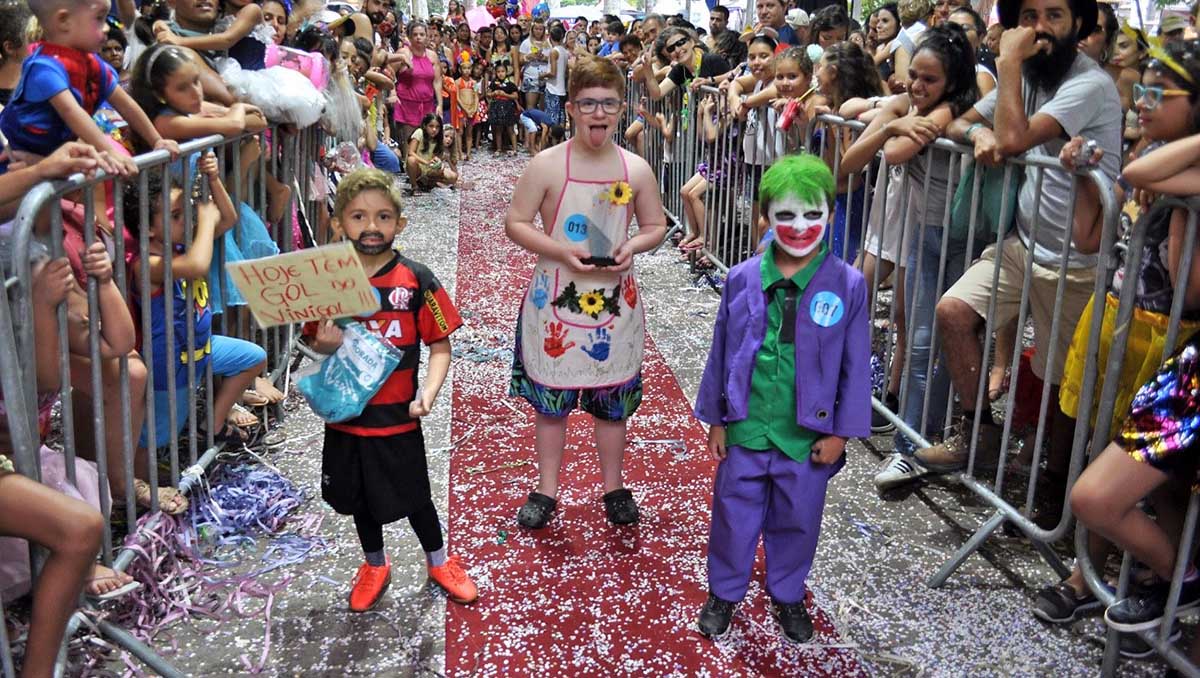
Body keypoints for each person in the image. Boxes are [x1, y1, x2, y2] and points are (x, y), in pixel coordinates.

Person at [915, 0, 1121, 488]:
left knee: (1062, 382)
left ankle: (1053, 484)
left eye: (1054, 15)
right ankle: (979, 432)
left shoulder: (1089, 83)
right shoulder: (1025, 76)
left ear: (1078, 25)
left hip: (1078, 261)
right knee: (954, 312)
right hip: (1022, 244)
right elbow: (956, 123)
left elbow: (1013, 140)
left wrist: (1005, 65)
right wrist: (979, 129)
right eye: (1028, 15)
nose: (1040, 28)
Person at [1036, 38, 1200, 635]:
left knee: (1166, 482)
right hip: (1114, 319)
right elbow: (1091, 236)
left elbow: (1187, 283)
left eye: (1159, 93)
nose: (1142, 103)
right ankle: (1094, 576)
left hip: (1166, 339)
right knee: (1100, 452)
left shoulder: (1169, 167)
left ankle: (1165, 583)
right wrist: (1083, 178)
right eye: (1141, 91)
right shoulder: (1155, 157)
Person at [693, 153, 870, 642]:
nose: (799, 226)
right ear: (764, 217)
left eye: (813, 214)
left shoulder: (849, 285)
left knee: (799, 518)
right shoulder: (741, 278)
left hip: (807, 435)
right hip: (748, 424)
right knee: (733, 514)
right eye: (785, 215)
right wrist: (717, 419)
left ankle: (788, 592)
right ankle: (724, 592)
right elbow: (721, 350)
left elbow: (856, 367)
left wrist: (840, 432)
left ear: (831, 217)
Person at [504, 56, 667, 529]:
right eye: (589, 103)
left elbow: (655, 224)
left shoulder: (635, 169)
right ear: (571, 107)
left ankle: (613, 486)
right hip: (554, 299)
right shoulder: (546, 164)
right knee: (551, 404)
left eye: (609, 104)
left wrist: (633, 244)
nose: (599, 113)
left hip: (615, 307)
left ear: (621, 108)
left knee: (613, 407)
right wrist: (558, 248)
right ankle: (546, 488)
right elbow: (516, 222)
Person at [306, 168, 478, 612]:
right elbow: (313, 341)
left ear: (400, 224)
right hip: (347, 417)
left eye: (383, 217)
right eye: (358, 216)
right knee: (361, 497)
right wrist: (321, 344)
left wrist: (430, 391)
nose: (371, 226)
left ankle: (439, 561)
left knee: (416, 496)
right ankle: (374, 564)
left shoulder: (416, 279)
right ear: (339, 222)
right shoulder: (328, 280)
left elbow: (440, 345)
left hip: (399, 418)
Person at [125, 154, 268, 457]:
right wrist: (205, 223)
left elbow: (228, 219)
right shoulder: (146, 265)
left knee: (254, 358)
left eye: (186, 212)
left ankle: (212, 424)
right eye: (176, 215)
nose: (187, 219)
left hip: (202, 349)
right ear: (148, 229)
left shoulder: (179, 246)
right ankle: (138, 493)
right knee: (154, 439)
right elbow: (196, 264)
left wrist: (214, 179)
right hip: (169, 368)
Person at [0, 0, 179, 175]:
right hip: (11, 156)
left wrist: (156, 140)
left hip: (47, 156)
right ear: (64, 21)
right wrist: (110, 151)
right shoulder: (43, 67)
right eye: (99, 18)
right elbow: (71, 112)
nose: (108, 27)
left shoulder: (92, 63)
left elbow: (125, 103)